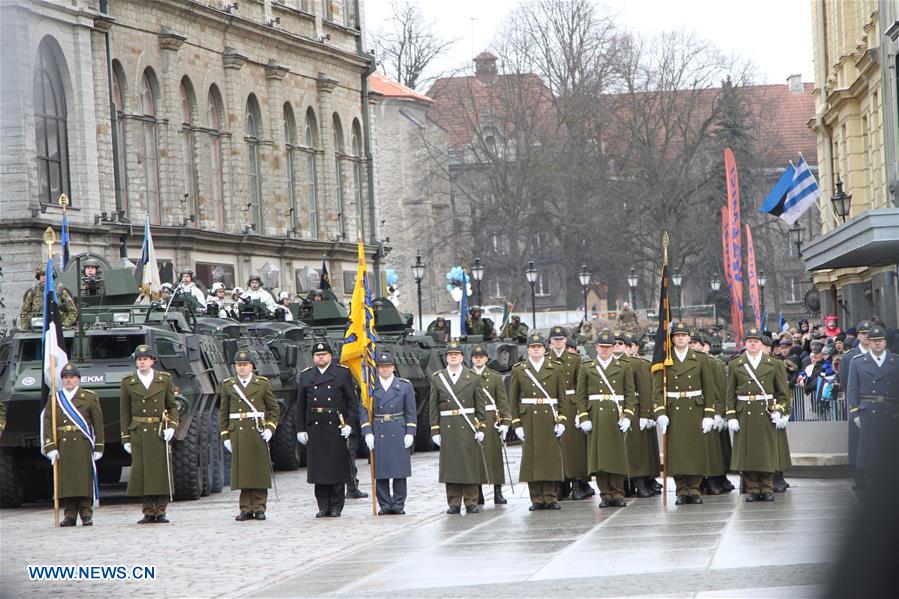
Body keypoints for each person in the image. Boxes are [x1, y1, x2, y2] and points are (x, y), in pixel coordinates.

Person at [652, 321, 717, 505]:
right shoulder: (664, 359)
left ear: (689, 338)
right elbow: (657, 389)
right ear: (672, 339)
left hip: (694, 408)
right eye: (677, 335)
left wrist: (709, 414)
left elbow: (709, 388)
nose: (680, 338)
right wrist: (660, 412)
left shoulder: (700, 358)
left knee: (695, 451)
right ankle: (681, 489)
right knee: (678, 453)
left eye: (683, 335)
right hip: (674, 410)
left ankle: (694, 489)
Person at [725, 328, 790, 502]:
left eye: (756, 341)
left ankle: (767, 487)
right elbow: (730, 392)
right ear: (745, 344)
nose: (753, 344)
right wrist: (731, 415)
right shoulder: (736, 364)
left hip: (766, 413)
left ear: (761, 344)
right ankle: (753, 488)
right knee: (749, 453)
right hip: (744, 412)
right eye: (749, 341)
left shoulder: (774, 363)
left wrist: (781, 411)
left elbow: (783, 393)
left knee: (766, 453)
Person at [575, 331, 636, 507]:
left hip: (615, 416)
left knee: (616, 456)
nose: (604, 350)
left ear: (612, 348)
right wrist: (583, 416)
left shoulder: (623, 366)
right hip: (596, 416)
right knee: (599, 458)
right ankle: (605, 494)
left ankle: (617, 493)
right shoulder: (587, 367)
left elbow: (629, 394)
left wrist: (629, 416)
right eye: (602, 346)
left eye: (608, 347)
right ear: (596, 347)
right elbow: (581, 396)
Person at [120, 345, 179, 523]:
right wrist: (126, 437)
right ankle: (147, 511)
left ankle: (161, 510)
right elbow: (125, 412)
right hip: (139, 431)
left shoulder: (164, 379)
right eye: (139, 359)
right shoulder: (128, 381)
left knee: (160, 472)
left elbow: (172, 406)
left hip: (159, 430)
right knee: (142, 472)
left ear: (152, 361)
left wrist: (172, 426)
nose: (142, 362)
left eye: (145, 359)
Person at [509, 333, 568, 511]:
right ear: (528, 350)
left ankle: (550, 497)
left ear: (545, 349)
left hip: (549, 418)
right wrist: (517, 423)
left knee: (550, 459)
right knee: (531, 459)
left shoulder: (555, 368)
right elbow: (513, 399)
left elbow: (562, 397)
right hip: (529, 418)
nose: (535, 350)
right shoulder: (520, 369)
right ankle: (536, 499)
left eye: (539, 347)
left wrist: (562, 419)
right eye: (532, 347)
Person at [296, 341, 355, 517]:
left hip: (335, 426)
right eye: (317, 355)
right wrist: (300, 429)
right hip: (316, 427)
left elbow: (352, 403)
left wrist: (350, 425)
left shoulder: (342, 374)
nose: (320, 357)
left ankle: (336, 505)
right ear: (313, 357)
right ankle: (323, 505)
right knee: (319, 469)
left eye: (323, 354)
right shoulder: (306, 376)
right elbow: (300, 405)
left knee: (336, 468)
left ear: (330, 356)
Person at [219, 350, 279, 521]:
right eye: (239, 365)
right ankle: (245, 508)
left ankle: (260, 507)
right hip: (238, 431)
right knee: (243, 472)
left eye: (245, 365)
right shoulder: (228, 385)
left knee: (258, 471)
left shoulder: (262, 384)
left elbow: (274, 409)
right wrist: (225, 436)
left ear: (251, 366)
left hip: (257, 431)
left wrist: (270, 428)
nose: (242, 368)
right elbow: (223, 413)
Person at [42, 363, 104, 526]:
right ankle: (69, 515)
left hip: (82, 442)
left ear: (78, 379)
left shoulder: (89, 397)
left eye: (72, 377)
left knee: (83, 480)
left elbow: (98, 423)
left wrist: (99, 446)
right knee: (67, 482)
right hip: (64, 444)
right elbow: (48, 423)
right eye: (65, 378)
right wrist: (51, 447)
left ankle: (86, 514)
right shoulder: (55, 399)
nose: (68, 381)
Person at [429, 341, 488, 514]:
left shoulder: (473, 377)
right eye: (450, 354)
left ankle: (471, 501)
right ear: (446, 358)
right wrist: (435, 429)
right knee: (451, 465)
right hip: (448, 426)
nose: (453, 356)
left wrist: (481, 427)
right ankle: (453, 502)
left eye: (456, 354)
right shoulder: (438, 378)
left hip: (468, 425)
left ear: (462, 357)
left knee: (469, 464)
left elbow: (480, 405)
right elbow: (433, 406)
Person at [361, 350, 417, 515]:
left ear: (393, 367)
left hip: (398, 427)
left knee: (399, 470)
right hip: (379, 428)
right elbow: (363, 411)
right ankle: (385, 504)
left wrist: (410, 432)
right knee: (381, 470)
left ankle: (398, 504)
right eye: (381, 367)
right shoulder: (370, 387)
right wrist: (367, 431)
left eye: (387, 366)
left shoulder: (404, 386)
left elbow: (411, 411)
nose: (384, 369)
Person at [846, 325, 897, 491]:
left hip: (890, 409)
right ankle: (864, 478)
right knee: (867, 448)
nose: (877, 344)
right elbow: (852, 389)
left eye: (880, 340)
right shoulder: (858, 362)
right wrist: (854, 412)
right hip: (867, 409)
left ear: (885, 341)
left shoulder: (895, 361)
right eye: (874, 340)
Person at [548, 325, 591, 500]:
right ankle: (559, 484)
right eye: (555, 340)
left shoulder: (574, 359)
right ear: (550, 341)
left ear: (566, 340)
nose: (558, 342)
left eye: (561, 339)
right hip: (554, 405)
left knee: (574, 448)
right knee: (556, 447)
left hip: (571, 404)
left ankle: (576, 484)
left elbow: (581, 387)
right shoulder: (546, 359)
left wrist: (581, 411)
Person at [470, 344, 511, 505]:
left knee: (495, 457)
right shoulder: (467, 375)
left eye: (481, 357)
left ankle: (497, 491)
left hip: (491, 418)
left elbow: (502, 400)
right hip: (474, 419)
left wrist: (506, 421)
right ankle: (477, 492)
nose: (479, 359)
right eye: (476, 357)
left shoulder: (494, 377)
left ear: (486, 359)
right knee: (477, 457)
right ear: (472, 359)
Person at [690, 333, 730, 495]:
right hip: (697, 409)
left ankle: (715, 479)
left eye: (695, 343)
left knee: (713, 449)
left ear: (704, 345)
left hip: (711, 410)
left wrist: (719, 411)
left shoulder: (712, 363)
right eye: (690, 343)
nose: (692, 346)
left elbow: (718, 389)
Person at [625, 335, 662, 496]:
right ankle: (626, 484)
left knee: (639, 448)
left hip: (637, 408)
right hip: (619, 409)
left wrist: (647, 413)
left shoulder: (641, 364)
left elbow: (646, 391)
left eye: (626, 344)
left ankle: (643, 480)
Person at [839, 320, 871, 481]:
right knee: (858, 441)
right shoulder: (850, 357)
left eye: (868, 334)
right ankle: (859, 474)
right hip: (858, 403)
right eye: (863, 334)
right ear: (858, 336)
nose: (866, 337)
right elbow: (845, 382)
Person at [19, 265, 77, 329]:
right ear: (39, 277)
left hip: (57, 328)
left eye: (47, 275)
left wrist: (64, 324)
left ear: (52, 276)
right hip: (36, 328)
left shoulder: (60, 291)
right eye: (42, 275)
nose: (44, 278)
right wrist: (26, 327)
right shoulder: (33, 292)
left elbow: (73, 311)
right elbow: (24, 312)